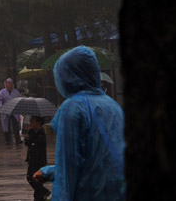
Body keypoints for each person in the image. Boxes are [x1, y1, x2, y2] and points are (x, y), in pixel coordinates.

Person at [34, 46, 125, 201]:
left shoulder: (73, 108)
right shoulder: (113, 105)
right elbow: (102, 161)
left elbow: (69, 168)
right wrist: (51, 172)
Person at [24, 116, 49, 201]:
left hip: (39, 161)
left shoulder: (41, 133)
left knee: (35, 179)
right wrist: (27, 139)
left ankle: (40, 195)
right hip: (31, 159)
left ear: (38, 123)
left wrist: (32, 136)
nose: (31, 123)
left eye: (32, 121)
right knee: (29, 178)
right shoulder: (31, 132)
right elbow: (28, 143)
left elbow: (39, 144)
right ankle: (42, 193)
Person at [0, 78, 22, 145]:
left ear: (11, 84)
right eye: (6, 83)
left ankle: (18, 139)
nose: (7, 85)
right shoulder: (2, 92)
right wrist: (1, 107)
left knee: (15, 125)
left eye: (9, 83)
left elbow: (19, 100)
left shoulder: (16, 92)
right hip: (5, 111)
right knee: (6, 126)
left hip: (14, 111)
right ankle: (7, 140)